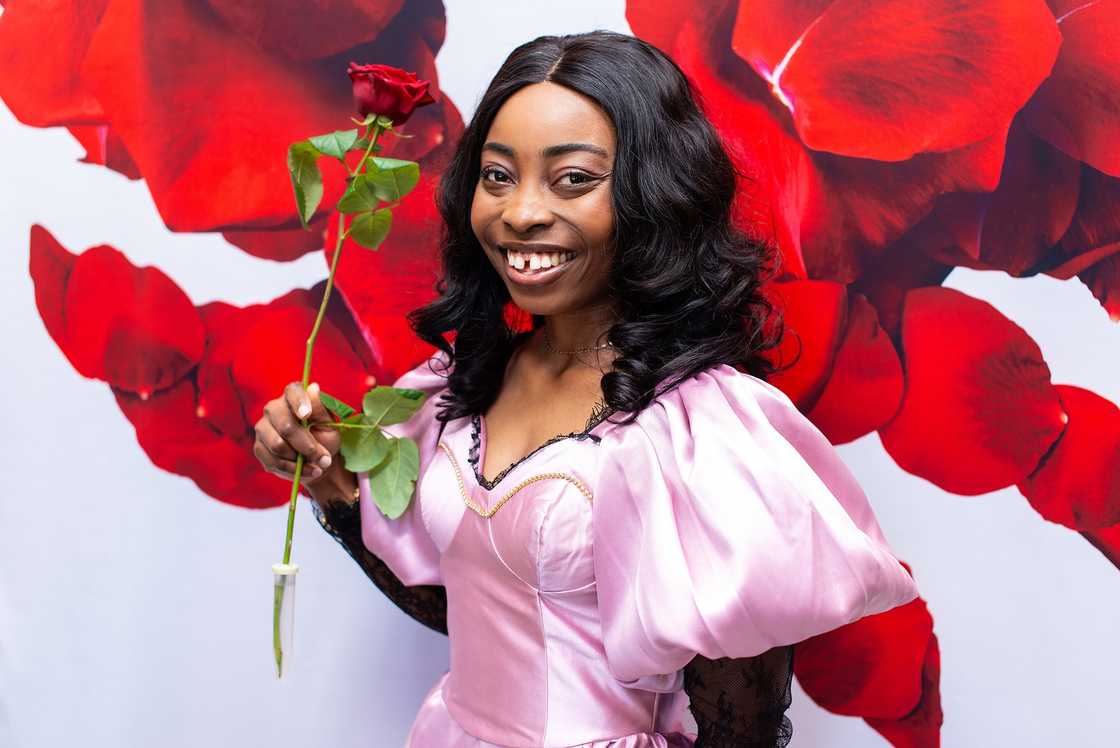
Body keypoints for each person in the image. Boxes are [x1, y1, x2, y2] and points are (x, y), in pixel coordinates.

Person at [253, 29, 920, 748]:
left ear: (651, 195)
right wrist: (332, 487)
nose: (520, 213)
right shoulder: (465, 382)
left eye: (572, 178)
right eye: (498, 175)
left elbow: (744, 730)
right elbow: (480, 614)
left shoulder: (699, 431)